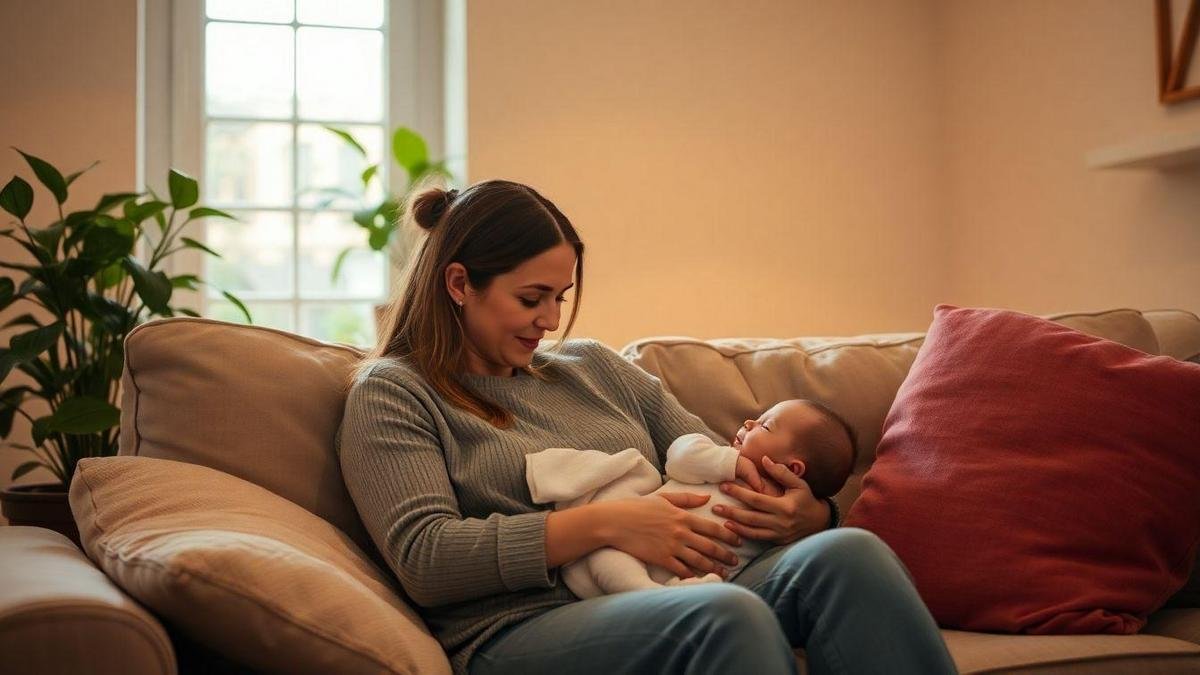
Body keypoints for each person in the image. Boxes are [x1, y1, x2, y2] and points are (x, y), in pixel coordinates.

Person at [336, 179, 958, 675]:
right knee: (724, 615)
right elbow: (425, 557)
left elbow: (714, 458)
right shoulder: (396, 392)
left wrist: (810, 516)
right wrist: (605, 524)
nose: (551, 319)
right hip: (521, 627)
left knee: (848, 553)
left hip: (689, 580)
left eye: (561, 295)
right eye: (532, 298)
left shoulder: (594, 369)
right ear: (459, 284)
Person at [523, 398, 859, 596]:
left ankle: (667, 594)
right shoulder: (717, 460)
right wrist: (730, 461)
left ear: (794, 468)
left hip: (696, 578)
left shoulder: (784, 505)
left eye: (766, 426)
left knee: (854, 548)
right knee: (605, 557)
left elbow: (787, 560)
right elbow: (680, 455)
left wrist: (817, 517)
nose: (749, 421)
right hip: (628, 550)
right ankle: (648, 596)